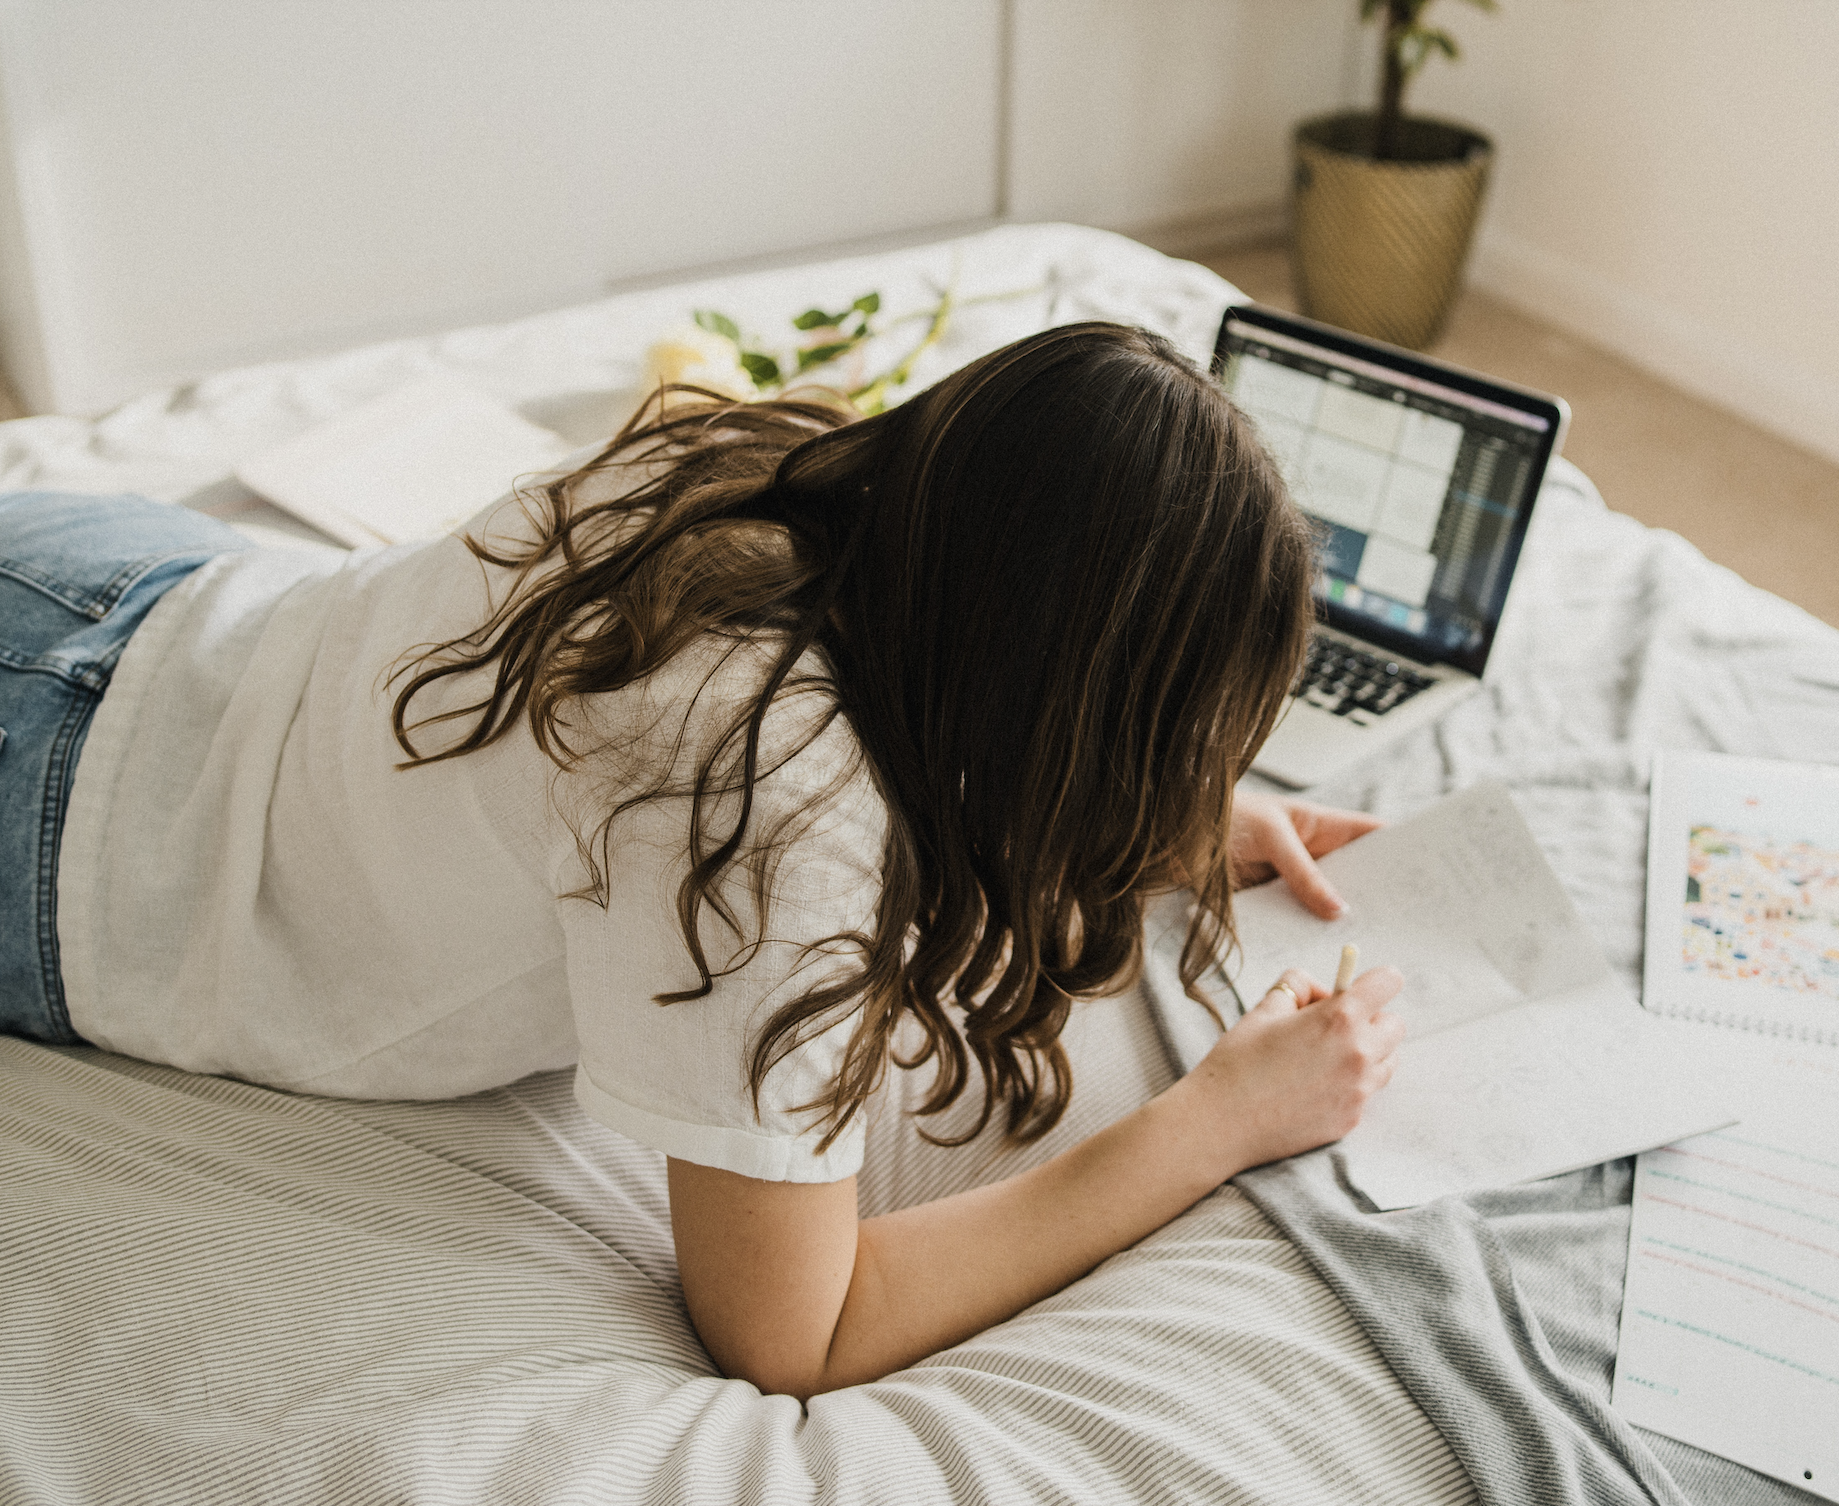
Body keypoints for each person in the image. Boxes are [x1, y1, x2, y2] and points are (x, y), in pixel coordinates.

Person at [0, 321, 1406, 1400]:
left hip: (139, 592)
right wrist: (1218, 1120)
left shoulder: (771, 479)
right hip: (70, 813)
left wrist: (1148, 809)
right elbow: (798, 1330)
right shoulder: (768, 787)